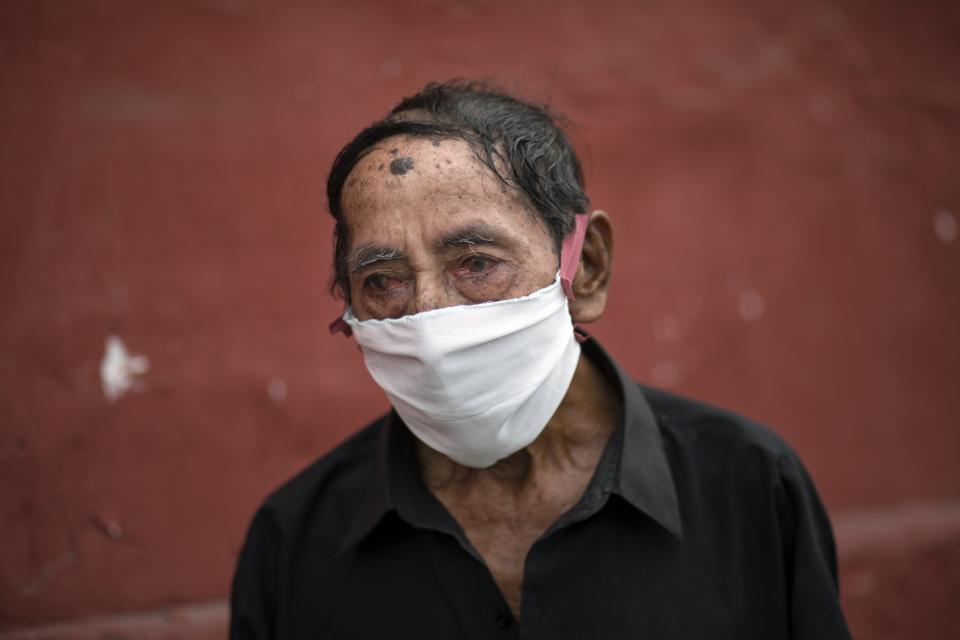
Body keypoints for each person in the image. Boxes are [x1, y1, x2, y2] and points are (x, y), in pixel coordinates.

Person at [230, 81, 851, 639]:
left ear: (588, 268)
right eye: (383, 280)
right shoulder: (293, 543)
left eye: (476, 263)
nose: (428, 321)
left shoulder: (749, 489)